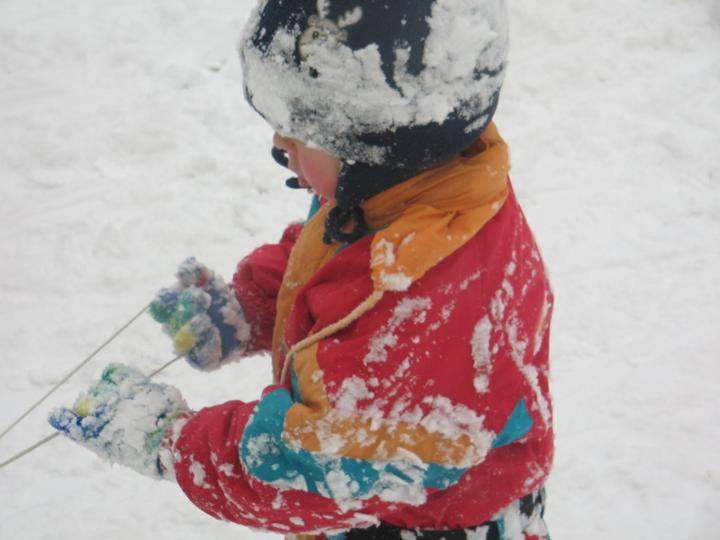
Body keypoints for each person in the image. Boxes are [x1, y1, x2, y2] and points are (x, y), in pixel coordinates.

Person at [49, 1, 554, 539]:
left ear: (376, 141)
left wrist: (171, 441)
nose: (278, 144)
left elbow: (308, 471)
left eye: (297, 131)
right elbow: (332, 255)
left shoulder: (427, 301)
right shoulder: (414, 191)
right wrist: (250, 309)